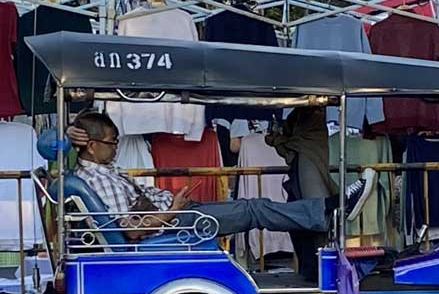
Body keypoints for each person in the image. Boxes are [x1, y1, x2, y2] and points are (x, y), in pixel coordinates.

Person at [65, 111, 375, 248]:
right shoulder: (98, 178)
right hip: (178, 220)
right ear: (92, 146)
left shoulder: (104, 171)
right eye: (111, 143)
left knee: (249, 206)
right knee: (252, 208)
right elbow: (131, 231)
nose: (116, 148)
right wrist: (173, 208)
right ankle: (327, 210)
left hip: (179, 213)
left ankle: (322, 212)